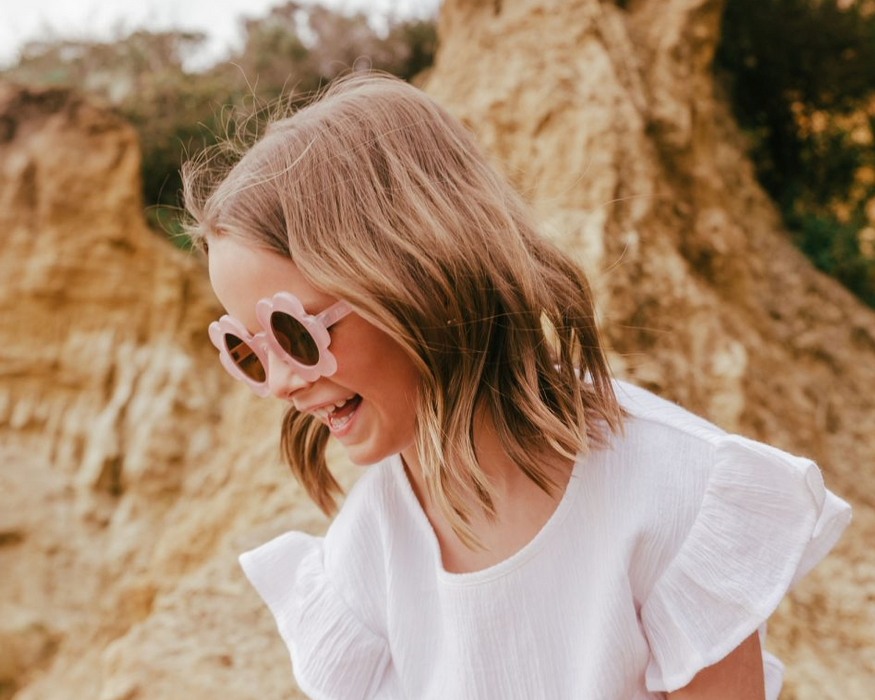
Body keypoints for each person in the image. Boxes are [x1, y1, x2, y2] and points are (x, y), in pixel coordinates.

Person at [182, 72, 851, 700]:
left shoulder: (671, 493)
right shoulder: (369, 550)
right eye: (246, 351)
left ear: (417, 275)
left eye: (295, 334)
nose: (279, 386)